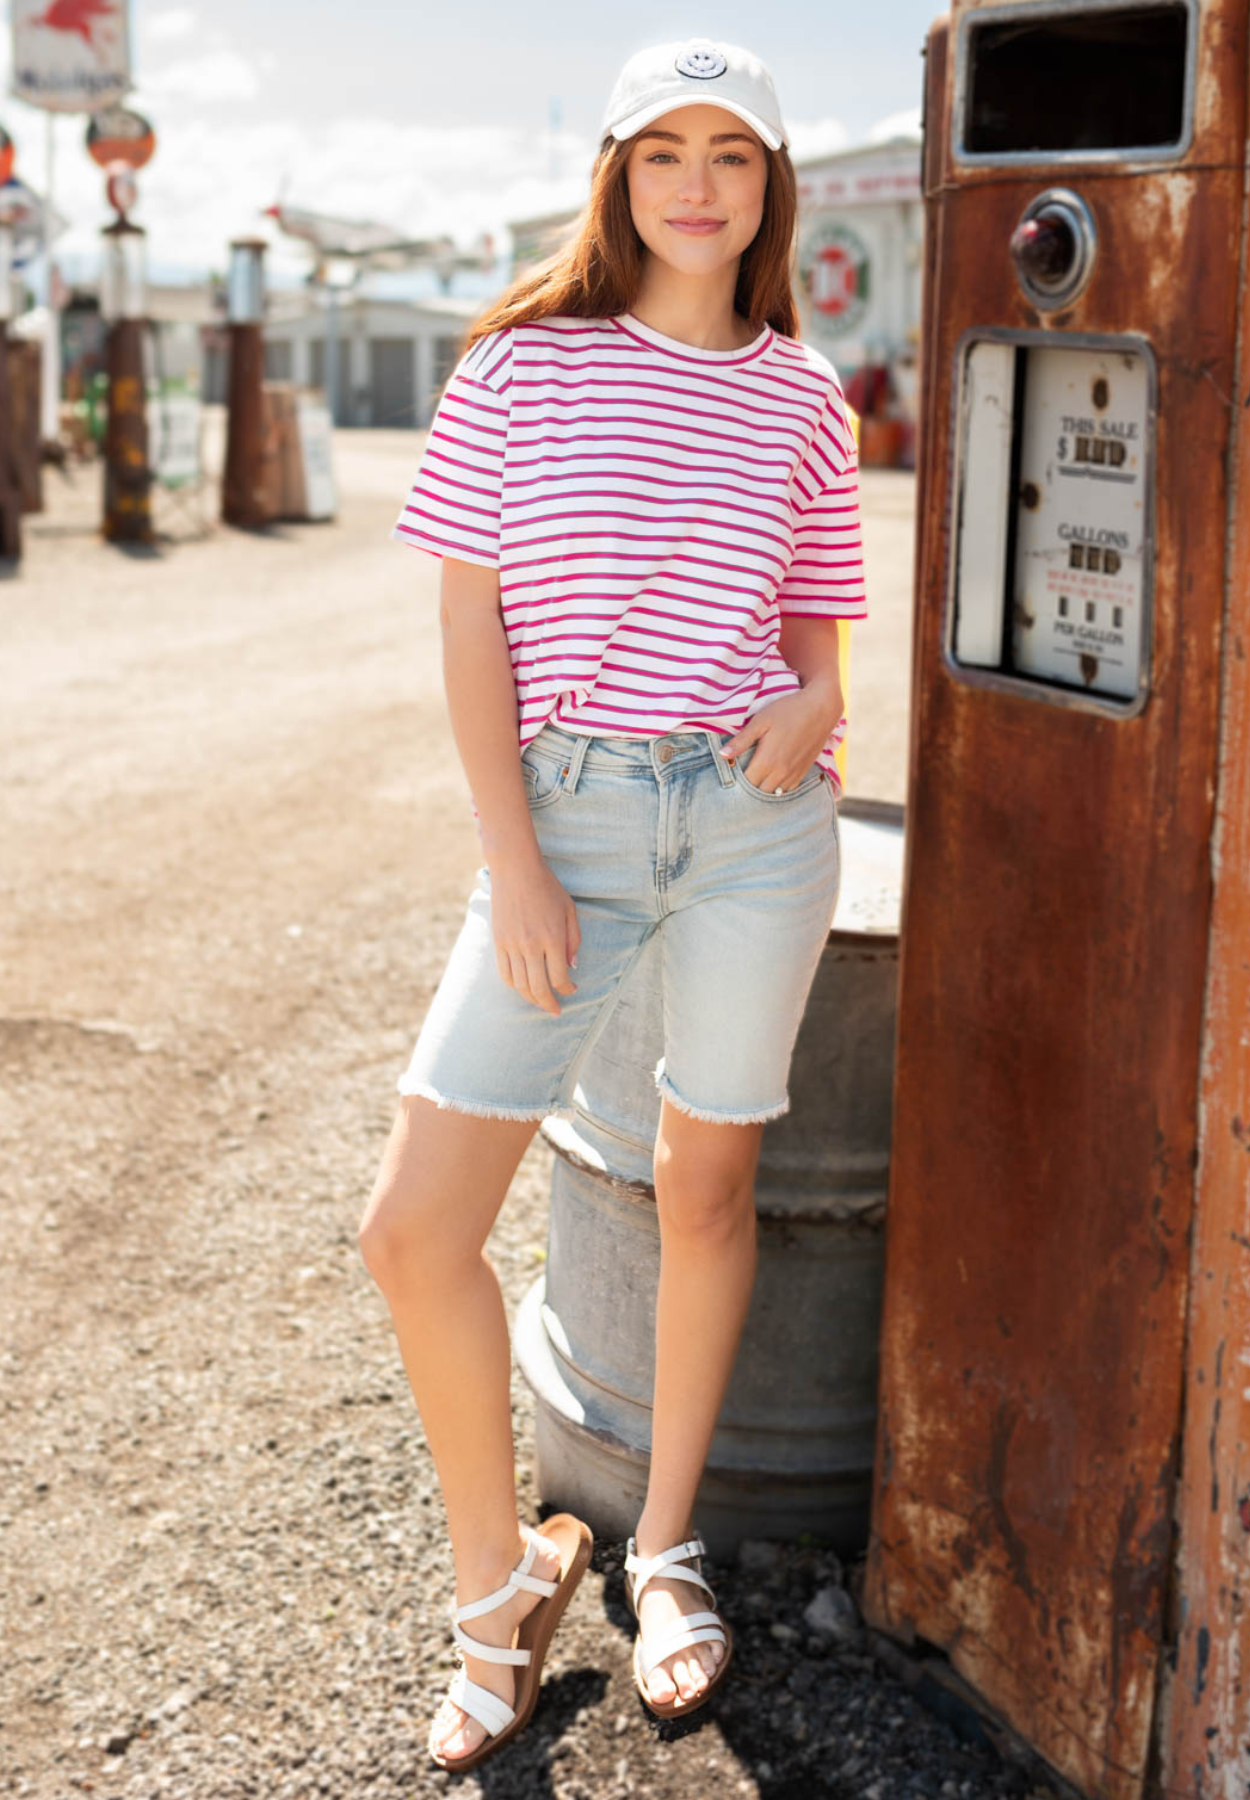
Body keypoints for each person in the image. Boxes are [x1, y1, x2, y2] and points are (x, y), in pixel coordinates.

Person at [358, 32, 868, 1773]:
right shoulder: (519, 368)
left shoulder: (805, 388)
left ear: (769, 185)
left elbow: (814, 635)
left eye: (734, 152)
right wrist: (510, 857)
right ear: (617, 176)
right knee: (413, 1224)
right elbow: (469, 629)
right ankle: (495, 1593)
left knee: (704, 1179)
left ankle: (660, 1549)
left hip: (749, 827)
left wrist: (815, 709)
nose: (700, 184)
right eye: (668, 152)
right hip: (563, 820)